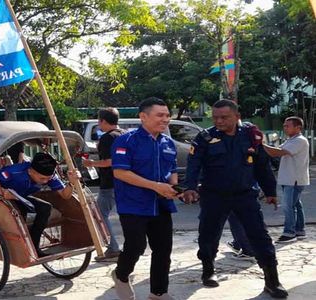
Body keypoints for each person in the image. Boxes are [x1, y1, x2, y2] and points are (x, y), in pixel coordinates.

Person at [183, 100, 288, 298]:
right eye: (215, 117)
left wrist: (270, 192)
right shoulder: (205, 138)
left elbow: (262, 166)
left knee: (260, 236)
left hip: (244, 195)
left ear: (237, 116)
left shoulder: (251, 136)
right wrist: (189, 187)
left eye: (224, 117)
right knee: (208, 234)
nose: (219, 121)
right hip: (214, 195)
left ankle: (272, 280)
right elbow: (193, 163)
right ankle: (208, 270)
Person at [110, 98, 179, 300]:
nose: (165, 119)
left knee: (163, 250)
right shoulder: (126, 140)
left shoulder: (168, 143)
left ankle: (158, 293)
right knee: (136, 246)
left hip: (162, 204)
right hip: (133, 204)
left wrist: (174, 188)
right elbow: (121, 173)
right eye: (160, 115)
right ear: (143, 116)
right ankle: (121, 275)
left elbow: (172, 171)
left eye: (167, 115)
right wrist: (155, 186)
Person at [0, 152, 80, 257]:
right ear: (30, 171)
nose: (45, 182)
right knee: (20, 212)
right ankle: (18, 248)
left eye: (48, 179)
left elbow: (65, 195)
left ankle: (34, 247)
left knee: (45, 207)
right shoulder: (14, 171)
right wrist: (2, 191)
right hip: (1, 197)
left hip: (20, 197)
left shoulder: (50, 176)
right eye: (42, 179)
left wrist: (72, 183)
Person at [82, 107, 125, 262]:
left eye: (99, 121)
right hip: (126, 181)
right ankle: (129, 247)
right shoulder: (124, 134)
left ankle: (113, 248)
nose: (99, 124)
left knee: (99, 215)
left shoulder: (108, 138)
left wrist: (92, 163)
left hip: (110, 183)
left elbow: (110, 161)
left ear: (103, 121)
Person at [263, 116, 310, 243]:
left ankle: (289, 232)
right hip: (289, 178)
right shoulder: (291, 140)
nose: (284, 128)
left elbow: (277, 152)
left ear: (298, 127)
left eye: (287, 126)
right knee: (296, 205)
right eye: (284, 125)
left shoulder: (300, 140)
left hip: (294, 179)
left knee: (288, 206)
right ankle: (300, 230)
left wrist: (262, 144)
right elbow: (276, 151)